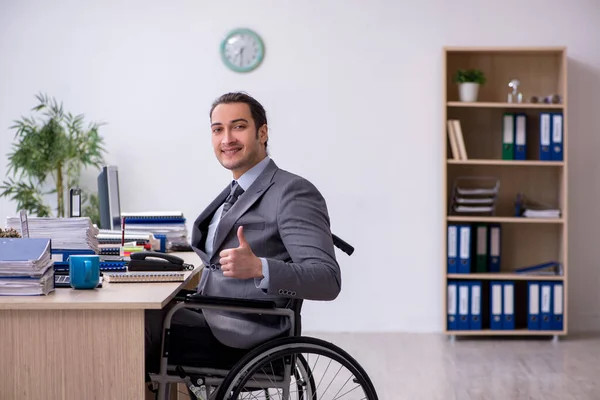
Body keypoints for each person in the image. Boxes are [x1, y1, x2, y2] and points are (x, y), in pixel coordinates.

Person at [144, 91, 341, 381]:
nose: (227, 139)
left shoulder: (292, 192)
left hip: (244, 335)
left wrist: (261, 268)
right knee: (140, 312)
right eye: (218, 130)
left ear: (262, 132)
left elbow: (327, 280)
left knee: (129, 323)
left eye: (238, 126)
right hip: (208, 313)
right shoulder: (236, 191)